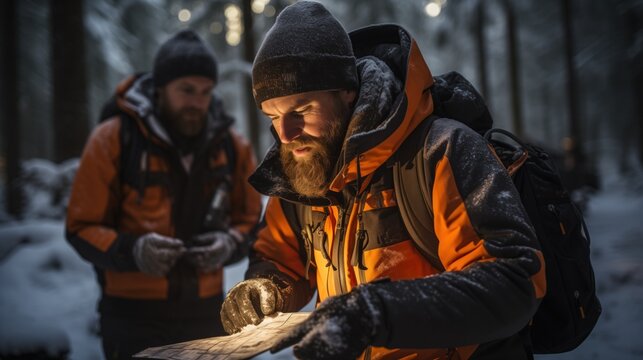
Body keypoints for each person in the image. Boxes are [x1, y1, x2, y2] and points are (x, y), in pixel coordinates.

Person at [220, 2, 546, 359]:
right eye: (273, 115)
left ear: (346, 92)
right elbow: (280, 259)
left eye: (302, 110)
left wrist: (377, 312)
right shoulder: (301, 171)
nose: (285, 133)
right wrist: (265, 287)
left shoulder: (441, 152)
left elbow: (514, 281)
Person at [66, 29, 261, 359]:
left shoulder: (232, 146)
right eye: (186, 90)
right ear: (160, 89)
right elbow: (80, 227)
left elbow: (252, 223)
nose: (197, 103)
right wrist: (134, 250)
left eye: (205, 92)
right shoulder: (112, 138)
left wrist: (230, 244)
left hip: (207, 313)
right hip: (131, 319)